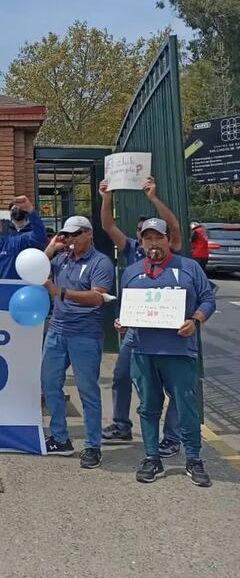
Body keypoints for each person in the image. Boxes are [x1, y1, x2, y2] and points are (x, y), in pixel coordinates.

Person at [121, 218, 215, 486]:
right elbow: (126, 310)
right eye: (147, 239)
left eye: (158, 238)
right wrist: (121, 323)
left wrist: (195, 320)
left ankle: (194, 458)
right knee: (147, 408)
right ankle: (152, 457)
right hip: (143, 350)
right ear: (141, 242)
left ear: (168, 239)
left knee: (186, 406)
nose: (153, 244)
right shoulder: (131, 272)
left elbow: (208, 299)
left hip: (179, 350)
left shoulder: (189, 268)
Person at [99, 177, 182, 453]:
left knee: (172, 387)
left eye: (155, 235)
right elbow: (107, 225)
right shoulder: (131, 250)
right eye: (143, 233)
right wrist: (106, 196)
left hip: (167, 331)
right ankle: (122, 425)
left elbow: (174, 226)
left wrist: (153, 198)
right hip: (135, 330)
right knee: (122, 376)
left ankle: (171, 437)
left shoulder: (172, 252)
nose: (148, 239)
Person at [41, 215, 114, 469]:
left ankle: (93, 445)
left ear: (88, 234)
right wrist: (51, 247)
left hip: (85, 334)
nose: (70, 239)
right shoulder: (61, 258)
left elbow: (97, 297)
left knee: (88, 391)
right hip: (57, 331)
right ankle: (60, 438)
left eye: (75, 234)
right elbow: (37, 266)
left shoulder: (100, 262)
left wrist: (59, 292)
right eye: (67, 235)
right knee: (49, 383)